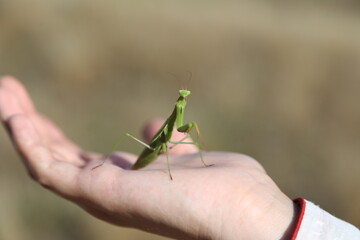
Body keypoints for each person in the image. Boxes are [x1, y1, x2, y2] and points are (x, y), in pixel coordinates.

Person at [0, 76, 358, 240]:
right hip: (148, 154)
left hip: (161, 150)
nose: (184, 96)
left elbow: (181, 127)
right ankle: (102, 160)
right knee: (139, 138)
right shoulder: (175, 116)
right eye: (181, 95)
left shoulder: (182, 116)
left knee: (186, 129)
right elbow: (167, 137)